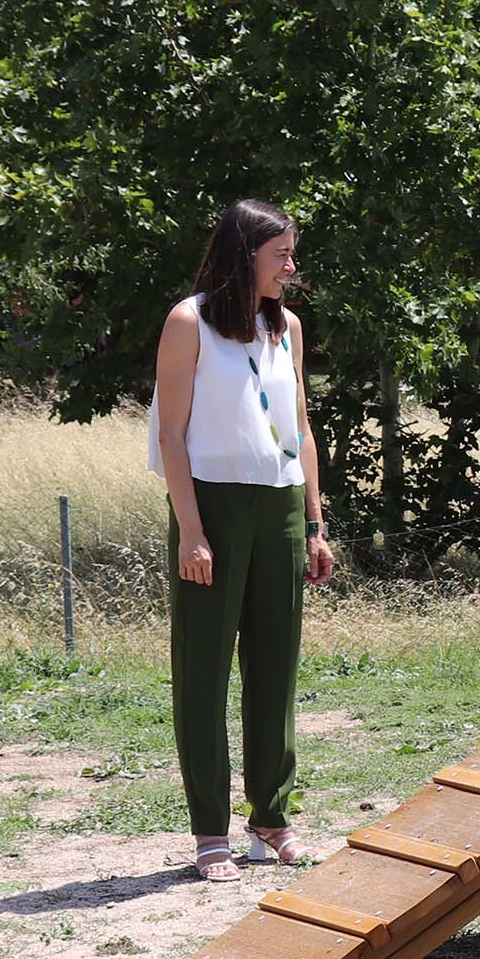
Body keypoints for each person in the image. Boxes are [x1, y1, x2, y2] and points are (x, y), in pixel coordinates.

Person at [151, 201, 337, 881]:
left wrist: (315, 524)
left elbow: (303, 431)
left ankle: (271, 817)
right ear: (243, 256)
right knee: (203, 673)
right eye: (281, 255)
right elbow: (171, 435)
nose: (291, 268)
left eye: (291, 254)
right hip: (215, 507)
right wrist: (192, 531)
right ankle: (209, 832)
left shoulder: (285, 326)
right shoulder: (188, 321)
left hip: (281, 506)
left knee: (275, 670)